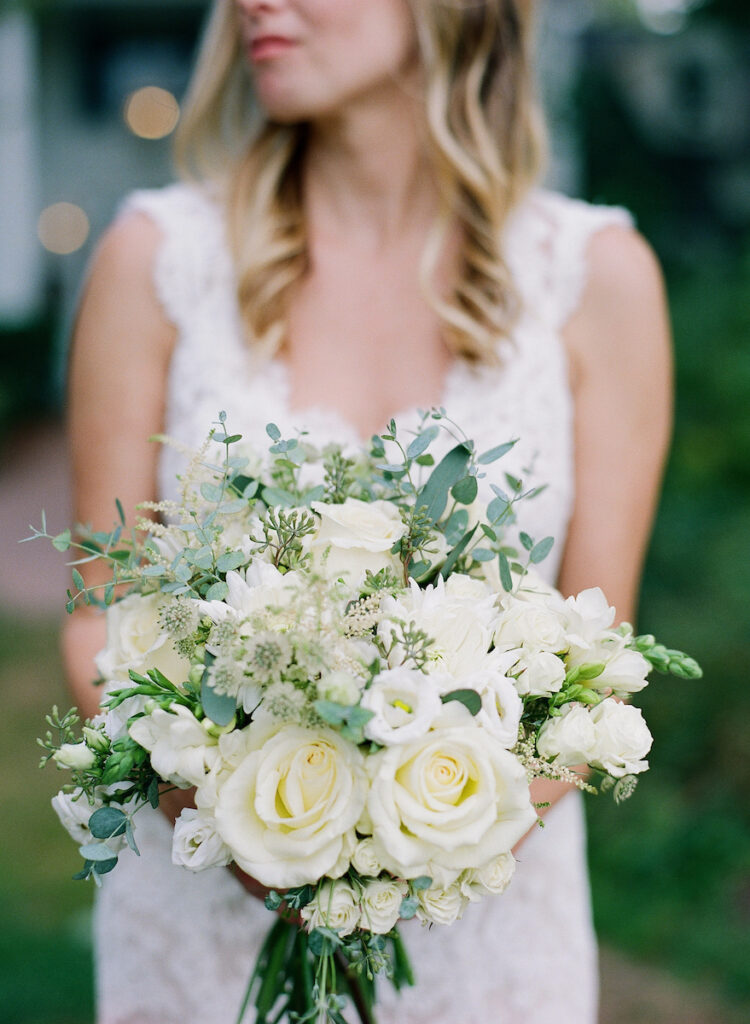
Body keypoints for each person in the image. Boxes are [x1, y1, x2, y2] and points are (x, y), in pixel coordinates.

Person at [62, 1, 672, 1021]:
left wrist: (432, 845)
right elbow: (97, 614)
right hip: (199, 930)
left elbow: (597, 652)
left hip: (487, 940)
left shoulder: (595, 278)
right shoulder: (157, 261)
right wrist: (240, 826)